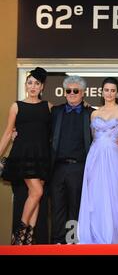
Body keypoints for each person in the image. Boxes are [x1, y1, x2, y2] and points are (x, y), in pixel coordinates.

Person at [50, 75, 118, 244]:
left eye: (75, 90)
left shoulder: (90, 113)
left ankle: (71, 242)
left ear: (83, 93)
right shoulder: (55, 111)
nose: (71, 93)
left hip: (80, 167)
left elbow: (113, 132)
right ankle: (57, 243)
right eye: (68, 90)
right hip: (57, 167)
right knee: (57, 207)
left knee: (76, 207)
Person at [77, 77, 118, 244]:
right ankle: (94, 237)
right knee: (94, 196)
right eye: (106, 90)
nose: (109, 93)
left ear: (117, 93)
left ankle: (111, 237)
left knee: (113, 195)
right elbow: (94, 138)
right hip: (95, 157)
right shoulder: (94, 113)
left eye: (112, 90)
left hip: (113, 156)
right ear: (102, 92)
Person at [0, 67, 51, 245]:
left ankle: (28, 238)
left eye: (37, 84)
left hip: (42, 155)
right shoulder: (17, 106)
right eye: (30, 83)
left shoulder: (48, 107)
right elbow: (7, 133)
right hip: (23, 154)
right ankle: (20, 233)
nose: (33, 86)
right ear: (25, 85)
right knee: (37, 191)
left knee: (34, 195)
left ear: (42, 87)